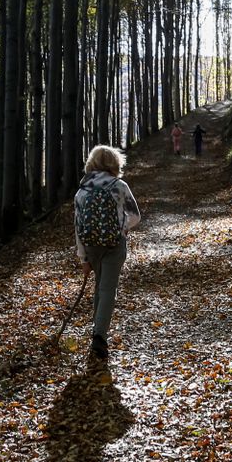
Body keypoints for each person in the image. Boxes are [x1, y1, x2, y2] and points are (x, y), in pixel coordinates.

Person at [74, 145, 141, 360]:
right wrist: (121, 228)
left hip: (92, 245)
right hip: (114, 243)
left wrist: (83, 257)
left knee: (99, 287)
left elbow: (77, 227)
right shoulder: (119, 186)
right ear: (114, 163)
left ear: (92, 163)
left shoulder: (82, 191)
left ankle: (97, 331)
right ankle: (99, 337)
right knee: (108, 289)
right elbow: (135, 216)